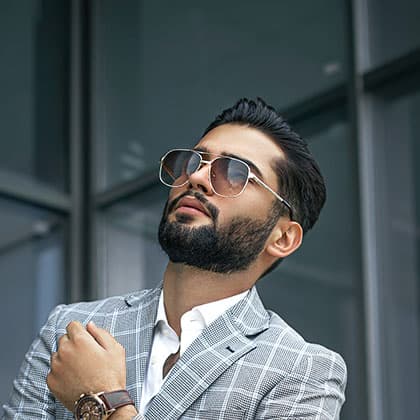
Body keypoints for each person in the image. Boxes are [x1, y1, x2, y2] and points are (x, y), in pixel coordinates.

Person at [3, 98, 347, 419]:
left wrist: (104, 402)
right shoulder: (72, 329)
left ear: (283, 237)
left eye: (234, 173)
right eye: (194, 161)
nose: (196, 177)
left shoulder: (301, 370)